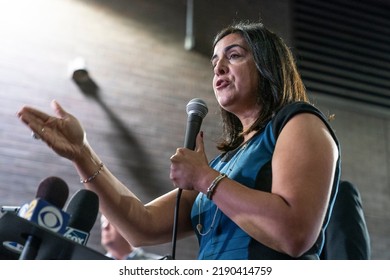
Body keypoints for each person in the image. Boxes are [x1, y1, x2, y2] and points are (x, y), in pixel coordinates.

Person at [17, 21, 341, 259]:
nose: (219, 68)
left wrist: (204, 178)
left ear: (268, 65)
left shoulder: (299, 123)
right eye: (214, 61)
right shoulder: (223, 164)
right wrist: (81, 153)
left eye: (235, 55)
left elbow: (294, 233)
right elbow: (141, 226)